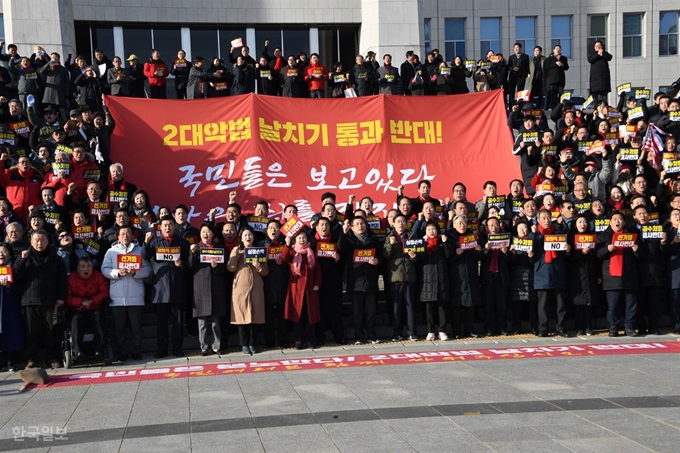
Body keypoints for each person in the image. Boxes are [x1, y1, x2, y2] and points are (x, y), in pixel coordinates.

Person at [13, 229, 67, 368]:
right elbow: (16, 275)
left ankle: (52, 358)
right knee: (31, 332)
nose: (39, 243)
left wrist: (61, 297)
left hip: (50, 301)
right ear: (31, 241)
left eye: (42, 240)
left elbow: (62, 280)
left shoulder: (55, 257)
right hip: (29, 301)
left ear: (47, 241)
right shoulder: (25, 257)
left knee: (50, 331)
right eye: (36, 240)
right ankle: (32, 359)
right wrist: (21, 260)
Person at [142, 215, 190, 358]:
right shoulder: (155, 242)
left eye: (170, 225)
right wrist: (146, 241)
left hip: (177, 287)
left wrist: (182, 265)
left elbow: (189, 263)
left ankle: (177, 349)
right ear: (160, 227)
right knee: (161, 323)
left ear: (174, 226)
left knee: (178, 322)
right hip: (160, 289)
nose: (168, 228)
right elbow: (144, 255)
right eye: (165, 225)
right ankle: (162, 350)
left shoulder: (182, 243)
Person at [100, 225, 150, 362]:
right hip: (117, 296)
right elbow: (104, 269)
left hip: (136, 295)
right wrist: (116, 273)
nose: (125, 236)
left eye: (128, 233)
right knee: (119, 328)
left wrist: (135, 273)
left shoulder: (140, 250)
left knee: (136, 327)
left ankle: (136, 351)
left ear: (133, 236)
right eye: (122, 233)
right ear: (118, 236)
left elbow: (148, 270)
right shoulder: (111, 251)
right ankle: (122, 352)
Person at [339, 216, 382, 344]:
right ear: (352, 227)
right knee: (357, 312)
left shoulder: (373, 239)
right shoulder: (350, 240)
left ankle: (371, 335)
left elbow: (381, 255)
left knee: (371, 311)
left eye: (362, 223)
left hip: (370, 280)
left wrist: (378, 261)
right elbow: (341, 247)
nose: (360, 226)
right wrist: (344, 233)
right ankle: (359, 336)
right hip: (355, 281)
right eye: (357, 224)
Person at [596, 211, 640, 337]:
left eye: (620, 219)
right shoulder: (604, 236)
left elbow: (641, 255)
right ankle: (613, 327)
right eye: (614, 219)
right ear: (610, 222)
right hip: (611, 276)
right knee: (612, 305)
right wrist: (606, 249)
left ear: (624, 222)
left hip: (628, 275)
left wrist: (636, 250)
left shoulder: (631, 235)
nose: (617, 221)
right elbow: (597, 254)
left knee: (631, 304)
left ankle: (629, 327)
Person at [228, 226, 268, 355]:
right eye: (245, 235)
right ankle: (244, 344)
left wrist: (259, 267)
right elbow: (231, 268)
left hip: (256, 288)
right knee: (242, 318)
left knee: (255, 318)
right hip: (241, 288)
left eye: (250, 235)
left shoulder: (259, 252)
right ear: (241, 238)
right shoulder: (237, 251)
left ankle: (252, 343)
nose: (248, 237)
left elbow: (266, 272)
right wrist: (234, 254)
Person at [189, 223, 228, 356]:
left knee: (216, 321)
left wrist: (217, 266)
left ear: (213, 234)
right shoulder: (196, 248)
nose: (206, 234)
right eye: (203, 232)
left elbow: (225, 269)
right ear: (200, 234)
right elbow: (189, 266)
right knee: (202, 322)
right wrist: (193, 253)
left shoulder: (219, 248)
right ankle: (204, 347)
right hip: (200, 287)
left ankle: (216, 346)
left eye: (208, 231)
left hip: (216, 287)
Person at [532, 209, 570, 337]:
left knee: (561, 304)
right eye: (543, 218)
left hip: (558, 271)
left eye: (548, 218)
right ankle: (543, 328)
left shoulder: (559, 233)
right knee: (542, 305)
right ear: (538, 221)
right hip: (542, 273)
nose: (546, 220)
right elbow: (530, 255)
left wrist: (567, 249)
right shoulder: (535, 235)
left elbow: (566, 255)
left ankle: (561, 327)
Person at [65, 256, 109, 360]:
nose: (86, 269)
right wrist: (81, 302)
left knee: (99, 317)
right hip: (77, 309)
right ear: (78, 268)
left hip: (93, 307)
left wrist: (92, 301)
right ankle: (77, 351)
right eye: (83, 266)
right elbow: (67, 297)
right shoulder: (71, 278)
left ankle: (99, 350)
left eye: (89, 266)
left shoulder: (98, 276)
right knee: (76, 319)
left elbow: (104, 292)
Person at [283, 230, 321, 349]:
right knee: (297, 316)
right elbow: (283, 258)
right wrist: (287, 245)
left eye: (304, 237)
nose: (301, 240)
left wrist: (317, 284)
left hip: (310, 288)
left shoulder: (311, 252)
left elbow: (317, 270)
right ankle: (298, 340)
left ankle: (310, 340)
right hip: (296, 289)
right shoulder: (292, 252)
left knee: (310, 316)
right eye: (299, 238)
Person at [383, 214, 418, 341]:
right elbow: (386, 256)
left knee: (410, 307)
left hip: (409, 276)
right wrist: (391, 245)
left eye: (403, 221)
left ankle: (412, 332)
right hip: (395, 278)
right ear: (393, 224)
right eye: (398, 221)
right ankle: (397, 332)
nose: (401, 224)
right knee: (396, 308)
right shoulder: (389, 237)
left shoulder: (412, 237)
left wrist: (414, 257)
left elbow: (420, 256)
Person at [448, 214, 482, 338]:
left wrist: (479, 251)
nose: (462, 225)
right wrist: (455, 253)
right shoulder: (450, 237)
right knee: (456, 305)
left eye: (464, 223)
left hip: (470, 272)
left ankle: (470, 329)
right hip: (456, 274)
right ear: (454, 225)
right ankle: (456, 331)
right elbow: (447, 256)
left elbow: (478, 257)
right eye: (459, 223)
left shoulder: (472, 237)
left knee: (470, 304)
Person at [566, 214, 599, 335]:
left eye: (585, 222)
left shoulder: (592, 236)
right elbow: (568, 257)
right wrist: (581, 253)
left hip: (590, 271)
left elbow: (597, 256)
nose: (582, 224)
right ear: (575, 224)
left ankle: (588, 326)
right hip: (576, 273)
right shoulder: (571, 236)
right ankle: (579, 327)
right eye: (580, 222)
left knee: (590, 301)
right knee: (578, 302)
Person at [479, 216, 510, 336]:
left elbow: (511, 259)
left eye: (496, 225)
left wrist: (506, 252)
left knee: (501, 304)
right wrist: (485, 250)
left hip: (501, 275)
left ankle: (502, 327)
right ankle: (489, 328)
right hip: (488, 275)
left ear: (500, 226)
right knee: (488, 304)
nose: (494, 227)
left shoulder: (506, 239)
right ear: (487, 228)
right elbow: (478, 257)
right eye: (491, 225)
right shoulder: (482, 240)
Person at [0, 243, 23, 371]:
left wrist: (9, 286)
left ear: (10, 254)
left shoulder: (15, 268)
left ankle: (12, 361)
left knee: (12, 331)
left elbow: (22, 286)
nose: (1, 255)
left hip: (11, 305)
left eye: (4, 252)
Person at [543, 44, 569, 110]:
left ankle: (561, 107)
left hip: (560, 79)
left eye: (559, 49)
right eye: (556, 48)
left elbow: (566, 67)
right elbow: (546, 67)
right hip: (552, 80)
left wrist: (562, 64)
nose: (558, 50)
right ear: (553, 50)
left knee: (561, 94)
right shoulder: (549, 59)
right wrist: (555, 64)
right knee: (553, 95)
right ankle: (553, 108)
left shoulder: (563, 58)